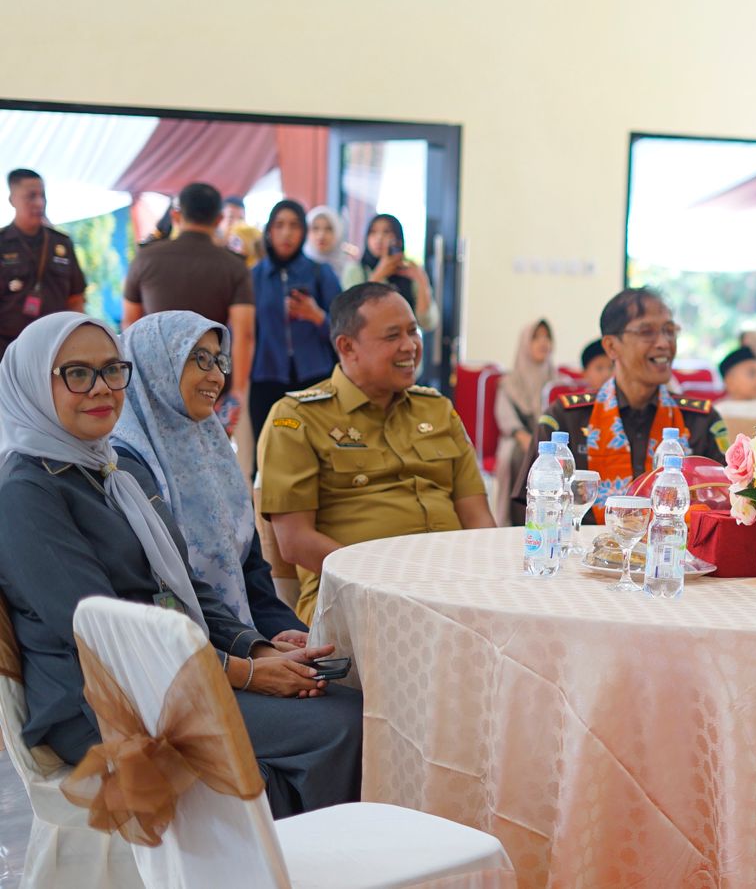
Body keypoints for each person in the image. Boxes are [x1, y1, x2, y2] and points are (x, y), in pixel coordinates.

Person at [0, 312, 362, 817]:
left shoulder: (115, 469)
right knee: (341, 725)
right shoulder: (27, 491)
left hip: (170, 670)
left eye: (112, 370)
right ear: (34, 384)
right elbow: (101, 630)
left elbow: (179, 586)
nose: (101, 387)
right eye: (77, 373)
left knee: (343, 701)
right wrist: (245, 674)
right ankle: (312, 855)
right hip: (102, 700)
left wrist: (257, 647)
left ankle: (288, 849)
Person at [258, 283, 493, 623]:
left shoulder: (437, 409)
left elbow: (478, 518)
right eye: (392, 335)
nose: (410, 345)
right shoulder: (297, 418)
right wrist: (386, 579)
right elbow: (295, 541)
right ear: (347, 346)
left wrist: (486, 578)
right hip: (355, 596)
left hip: (453, 588)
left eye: (413, 331)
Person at [113, 311, 307, 645]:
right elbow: (152, 593)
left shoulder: (214, 449)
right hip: (180, 649)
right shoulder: (123, 466)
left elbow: (250, 569)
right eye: (200, 359)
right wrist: (254, 652)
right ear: (155, 363)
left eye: (219, 361)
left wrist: (281, 629)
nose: (217, 376)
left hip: (248, 642)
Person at [514, 288, 728, 525]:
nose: (663, 343)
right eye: (647, 332)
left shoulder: (700, 421)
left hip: (672, 547)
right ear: (611, 347)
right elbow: (530, 509)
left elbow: (727, 508)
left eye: (669, 331)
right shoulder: (565, 419)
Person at [123, 182, 255, 416]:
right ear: (218, 219)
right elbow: (244, 334)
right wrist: (238, 392)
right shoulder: (234, 266)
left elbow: (130, 324)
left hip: (155, 377)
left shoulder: (146, 258)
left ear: (176, 215)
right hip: (210, 379)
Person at [250, 200, 342, 438]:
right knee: (268, 450)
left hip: (315, 378)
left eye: (294, 225)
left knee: (318, 448)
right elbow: (245, 333)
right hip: (266, 378)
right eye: (279, 225)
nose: (286, 233)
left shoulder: (321, 273)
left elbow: (345, 330)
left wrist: (317, 316)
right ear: (269, 231)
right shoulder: (254, 277)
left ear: (303, 232)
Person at [0, 168, 86, 362]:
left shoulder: (61, 243)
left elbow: (76, 299)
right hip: (7, 352)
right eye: (31, 196)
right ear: (12, 200)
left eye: (43, 196)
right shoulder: (2, 244)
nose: (39, 203)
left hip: (56, 350)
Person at [492, 318, 558, 526]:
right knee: (519, 457)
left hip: (552, 439)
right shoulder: (510, 382)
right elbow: (505, 416)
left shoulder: (558, 381)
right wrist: (523, 436)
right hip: (519, 437)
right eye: (536, 337)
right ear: (525, 343)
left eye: (547, 337)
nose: (543, 342)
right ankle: (518, 521)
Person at [341, 214, 440, 332]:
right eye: (373, 232)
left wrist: (422, 282)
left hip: (404, 340)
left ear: (398, 240)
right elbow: (350, 314)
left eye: (387, 232)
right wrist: (379, 274)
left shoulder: (409, 272)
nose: (379, 238)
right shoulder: (356, 270)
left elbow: (427, 322)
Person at [305, 205, 358, 278]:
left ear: (338, 232)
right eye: (315, 228)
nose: (321, 235)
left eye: (328, 229)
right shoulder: (298, 267)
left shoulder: (350, 270)